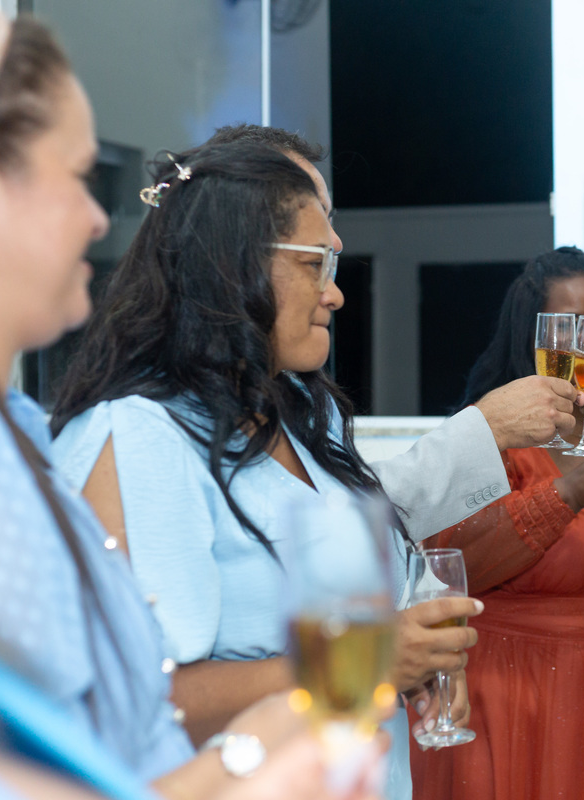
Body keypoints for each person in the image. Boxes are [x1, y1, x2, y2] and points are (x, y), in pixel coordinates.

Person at [0, 6, 383, 798]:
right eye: (80, 176)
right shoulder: (22, 455)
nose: (100, 217)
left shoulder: (10, 431)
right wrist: (245, 759)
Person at [47, 139, 509, 800]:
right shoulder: (142, 437)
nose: (336, 294)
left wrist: (413, 660)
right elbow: (140, 700)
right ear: (231, 268)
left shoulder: (304, 419)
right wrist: (366, 660)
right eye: (316, 263)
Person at [409, 247, 584, 800]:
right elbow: (454, 566)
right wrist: (565, 496)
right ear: (535, 337)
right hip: (516, 696)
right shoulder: (492, 437)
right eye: (569, 329)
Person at [201, 123, 581, 541]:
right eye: (314, 217)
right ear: (236, 249)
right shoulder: (164, 424)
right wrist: (489, 429)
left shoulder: (303, 395)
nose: (335, 240)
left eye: (329, 217)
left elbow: (360, 514)